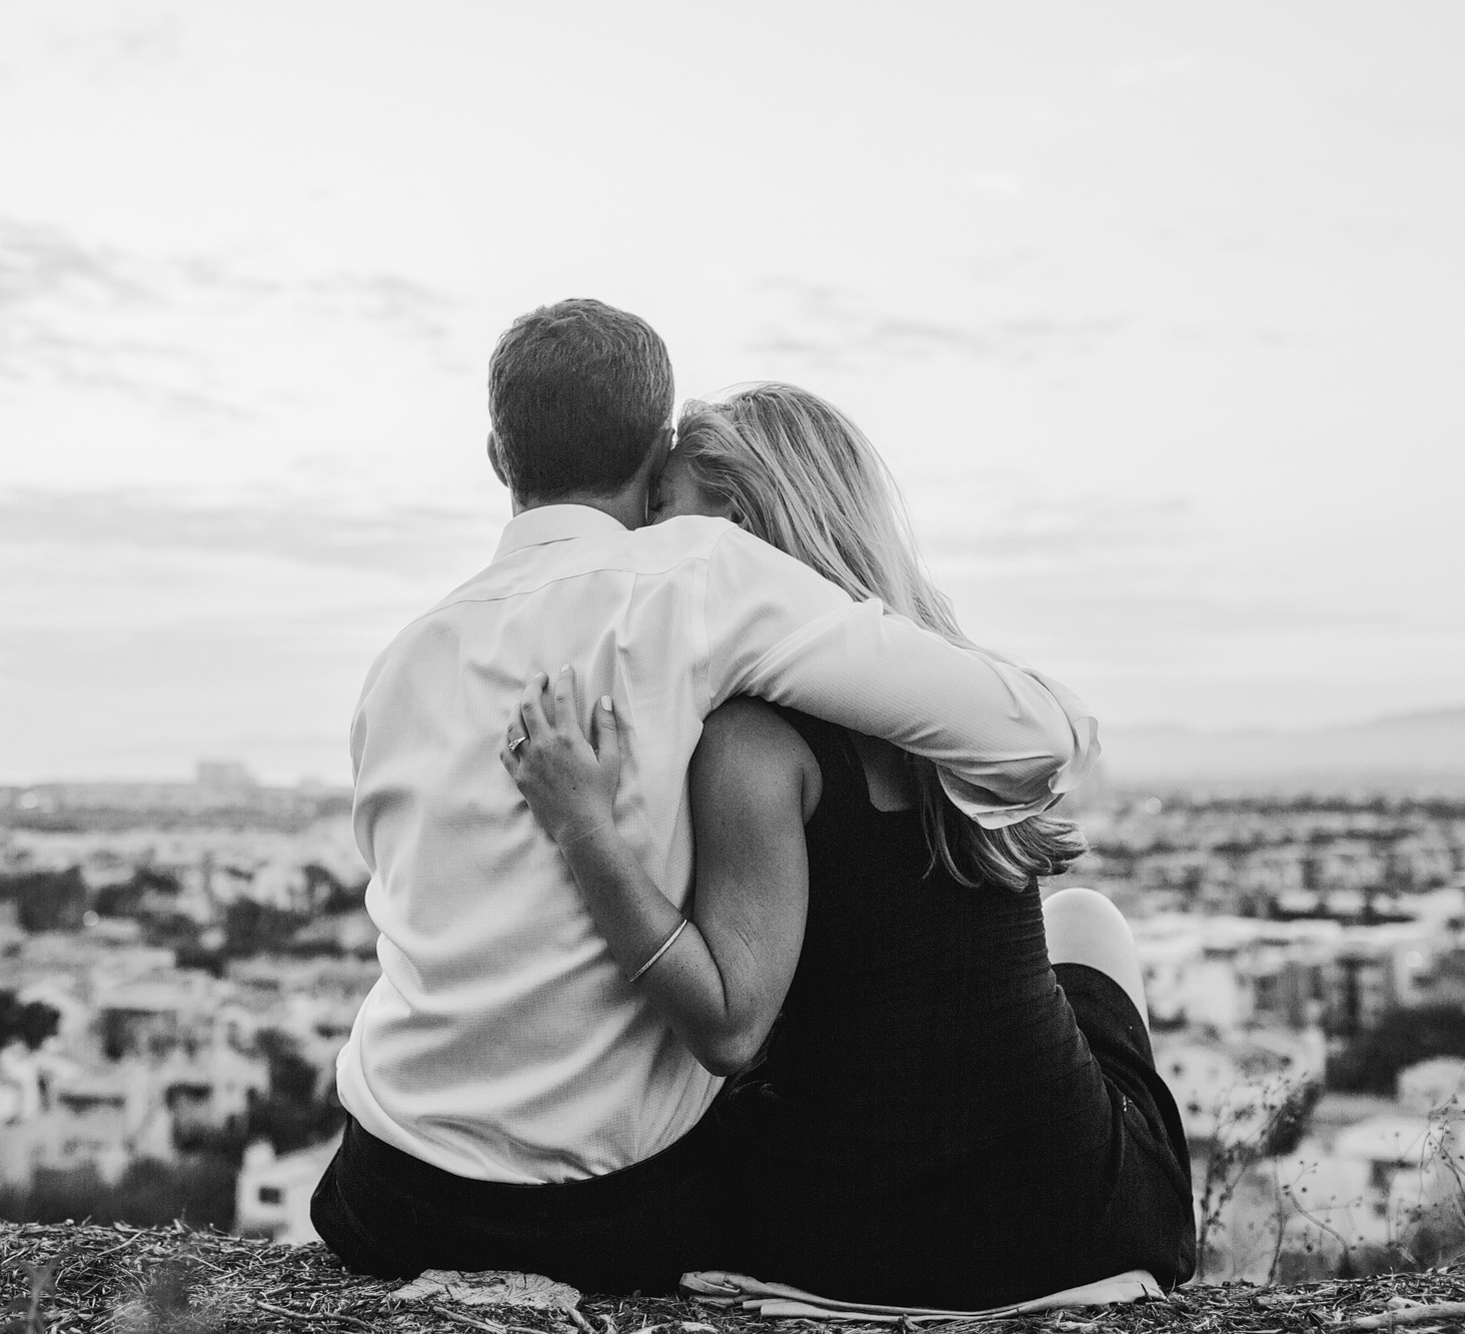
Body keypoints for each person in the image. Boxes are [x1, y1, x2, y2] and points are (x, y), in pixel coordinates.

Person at [311, 301, 1099, 1293]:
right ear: (655, 454)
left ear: (493, 454)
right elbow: (1033, 734)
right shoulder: (697, 579)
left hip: (387, 1188)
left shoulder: (400, 661)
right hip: (603, 1213)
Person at [505, 382, 1195, 1307]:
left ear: (736, 525)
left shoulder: (752, 740)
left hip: (856, 1237)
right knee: (1091, 920)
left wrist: (583, 828)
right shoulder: (948, 701)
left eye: (667, 511)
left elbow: (728, 1029)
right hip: (1071, 1215)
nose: (644, 540)